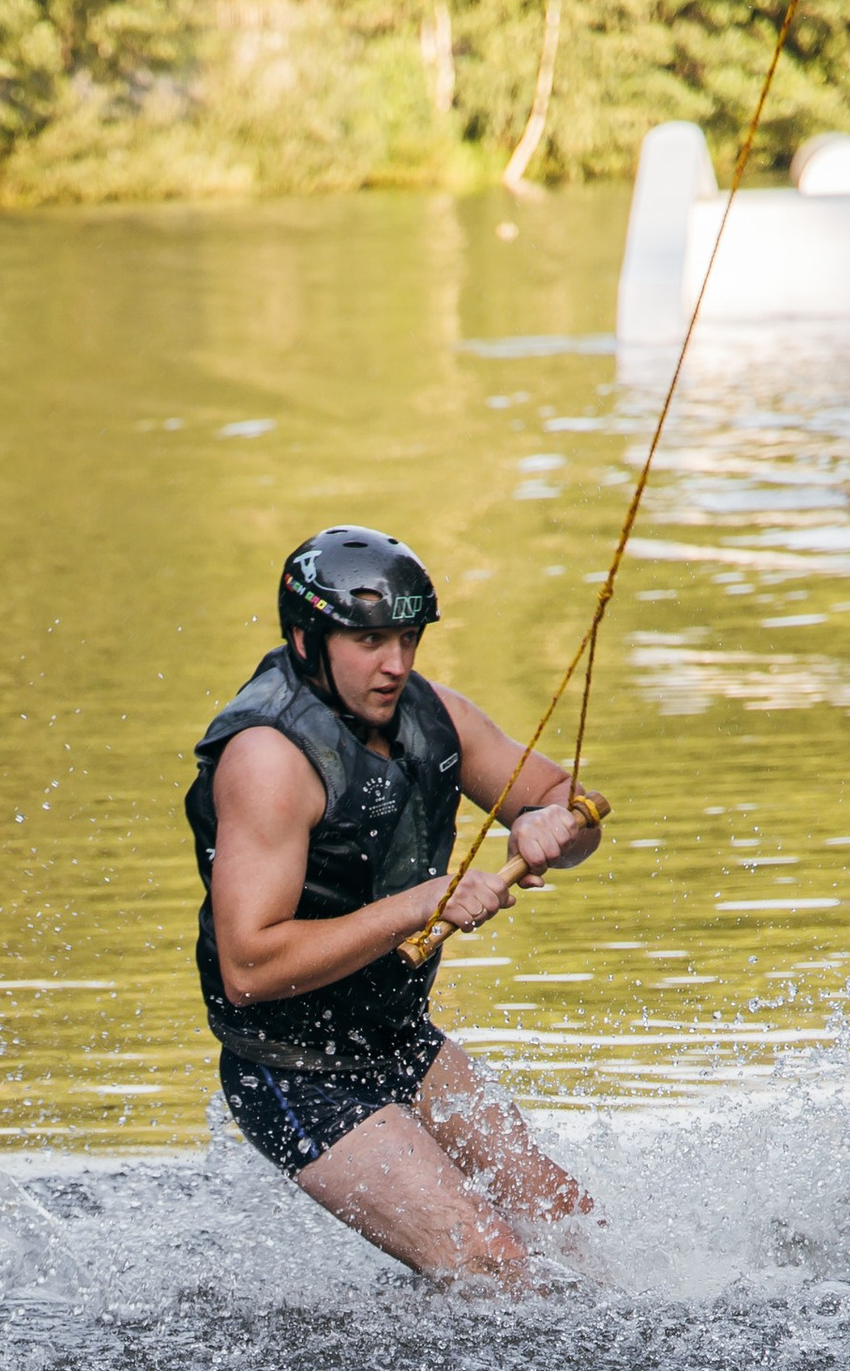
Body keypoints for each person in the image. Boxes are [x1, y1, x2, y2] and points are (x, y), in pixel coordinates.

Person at [185, 525, 603, 1284]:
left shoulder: (434, 714)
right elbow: (248, 967)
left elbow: (564, 799)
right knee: (494, 1264)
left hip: (398, 1039)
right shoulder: (269, 760)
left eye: (408, 638)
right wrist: (423, 904)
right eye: (370, 640)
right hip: (293, 1064)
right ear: (307, 638)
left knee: (576, 1230)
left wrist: (554, 825)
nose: (396, 663)